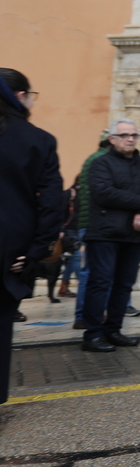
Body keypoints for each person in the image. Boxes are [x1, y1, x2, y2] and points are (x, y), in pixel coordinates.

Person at [0, 69, 63, 402]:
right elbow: (53, 204)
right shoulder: (38, 140)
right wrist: (37, 250)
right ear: (21, 97)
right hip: (9, 251)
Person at [82, 118, 140, 352]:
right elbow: (105, 194)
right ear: (113, 139)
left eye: (134, 135)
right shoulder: (100, 164)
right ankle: (93, 334)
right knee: (100, 283)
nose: (130, 139)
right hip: (105, 234)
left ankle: (113, 330)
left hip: (135, 235)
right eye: (125, 135)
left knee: (124, 285)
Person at [71, 132, 111, 329]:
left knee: (91, 272)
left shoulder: (92, 159)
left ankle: (85, 315)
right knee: (92, 273)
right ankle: (85, 316)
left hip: (88, 222)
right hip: (95, 224)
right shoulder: (103, 160)